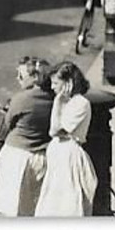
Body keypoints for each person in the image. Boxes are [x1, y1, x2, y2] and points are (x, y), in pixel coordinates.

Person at [0, 57, 54, 216]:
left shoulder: (21, 99)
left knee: (14, 206)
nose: (18, 79)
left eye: (21, 75)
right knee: (34, 205)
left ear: (34, 77)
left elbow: (8, 123)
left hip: (17, 157)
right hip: (42, 157)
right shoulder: (53, 98)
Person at [34, 61, 98, 216]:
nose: (52, 87)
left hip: (69, 157)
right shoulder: (66, 102)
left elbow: (55, 131)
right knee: (52, 202)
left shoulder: (80, 103)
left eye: (56, 83)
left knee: (67, 204)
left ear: (68, 82)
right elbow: (55, 131)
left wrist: (57, 103)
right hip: (59, 156)